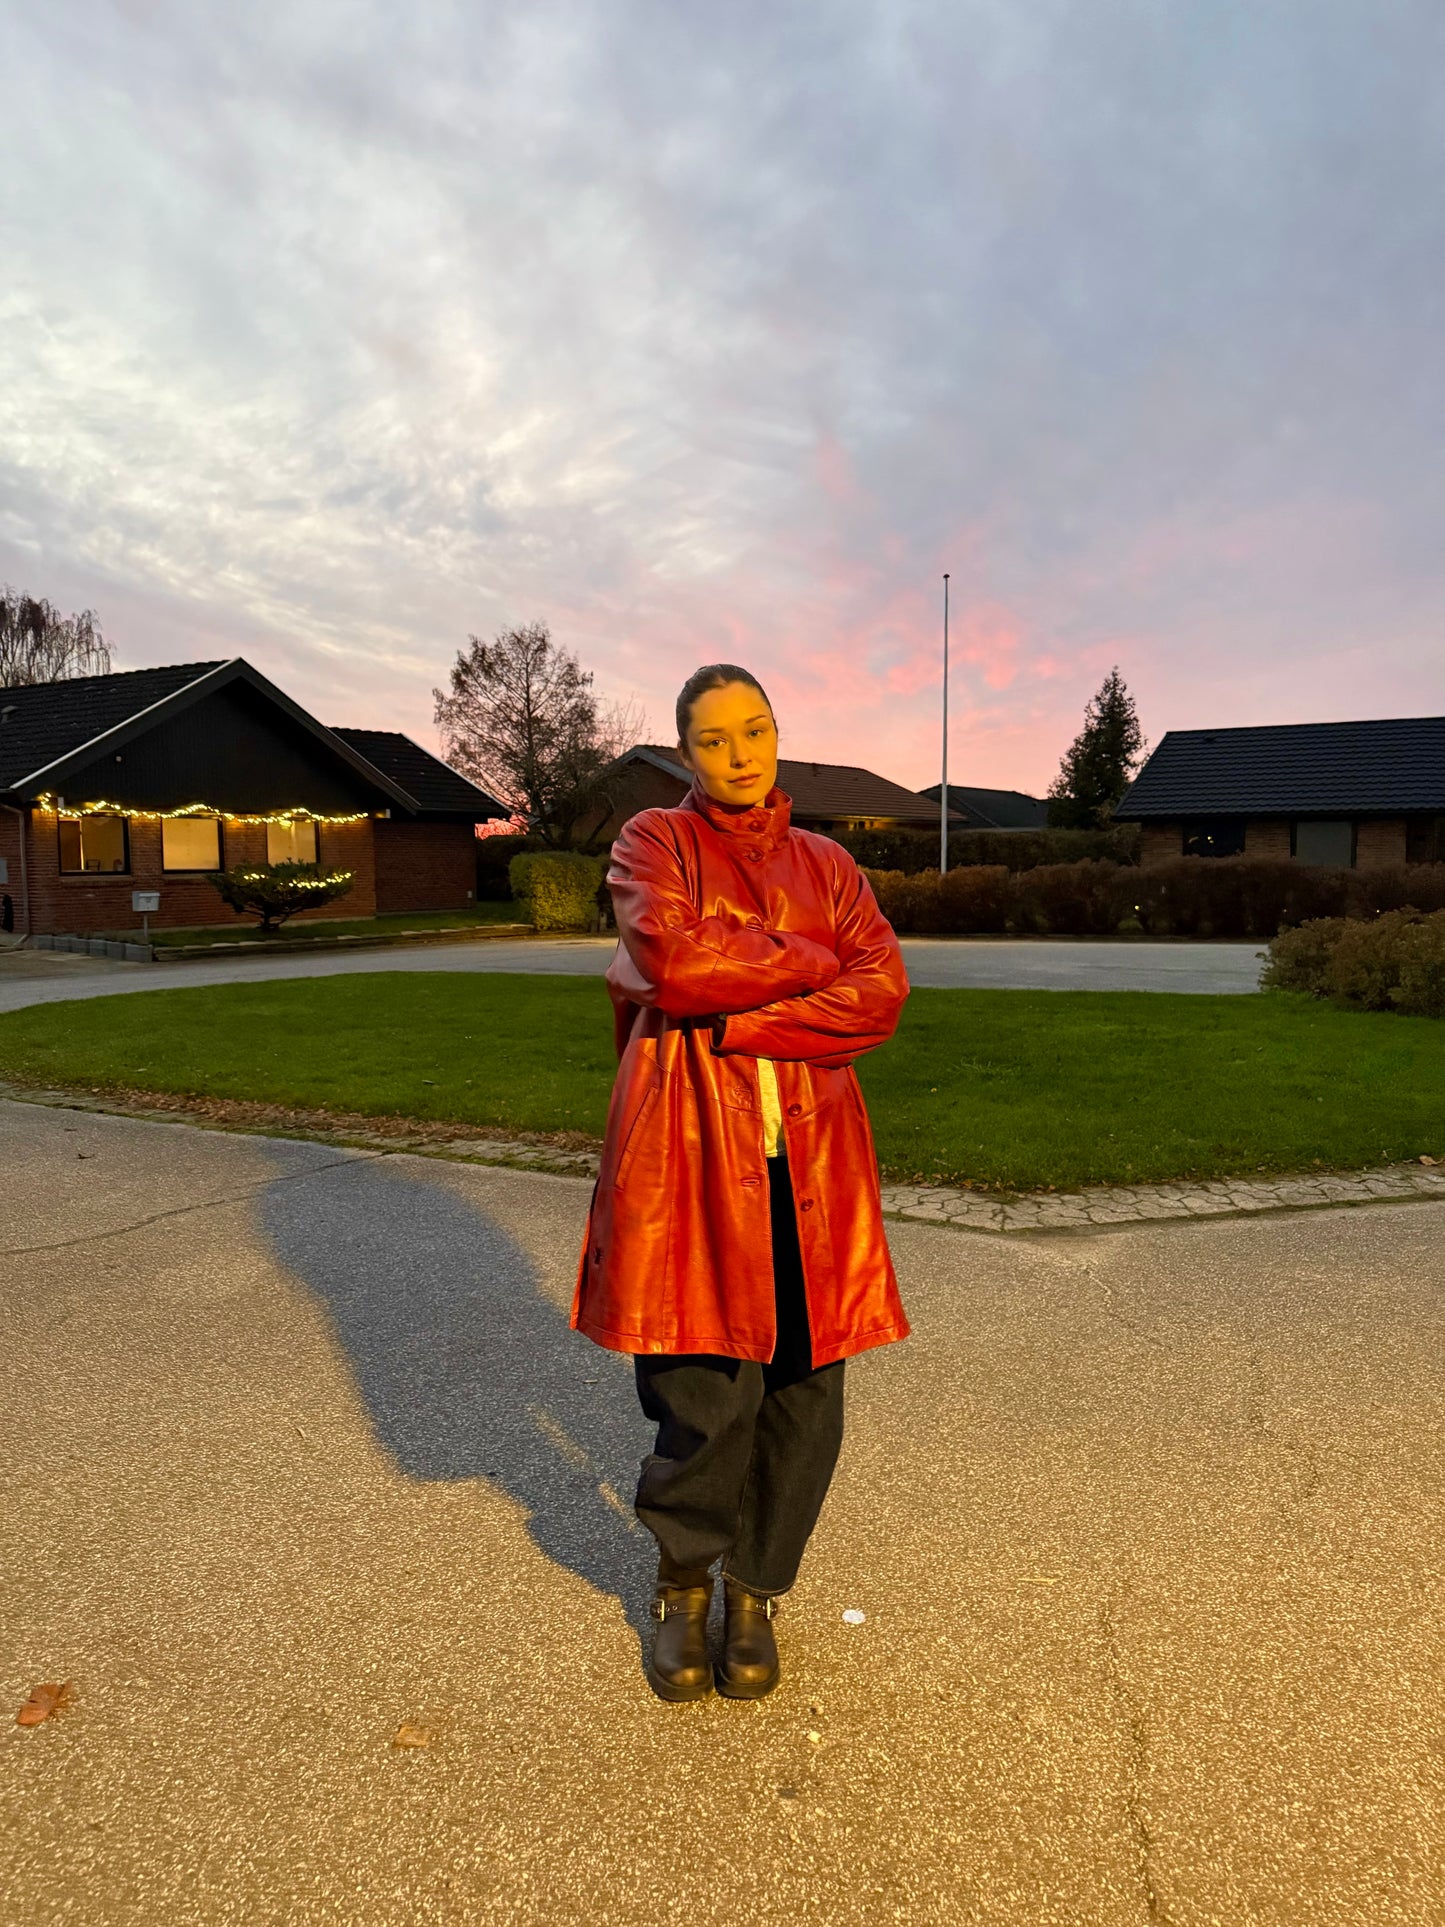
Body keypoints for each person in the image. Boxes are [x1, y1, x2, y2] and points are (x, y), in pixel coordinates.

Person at [572, 663, 911, 1702]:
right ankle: (682, 1581)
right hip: (690, 1156)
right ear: (685, 752)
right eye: (713, 738)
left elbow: (881, 989)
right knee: (703, 1391)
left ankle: (756, 1587)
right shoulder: (651, 844)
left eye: (753, 729)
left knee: (806, 1394)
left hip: (811, 1164)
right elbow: (674, 964)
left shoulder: (826, 860)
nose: (738, 751)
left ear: (775, 733)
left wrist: (743, 1015)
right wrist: (810, 963)